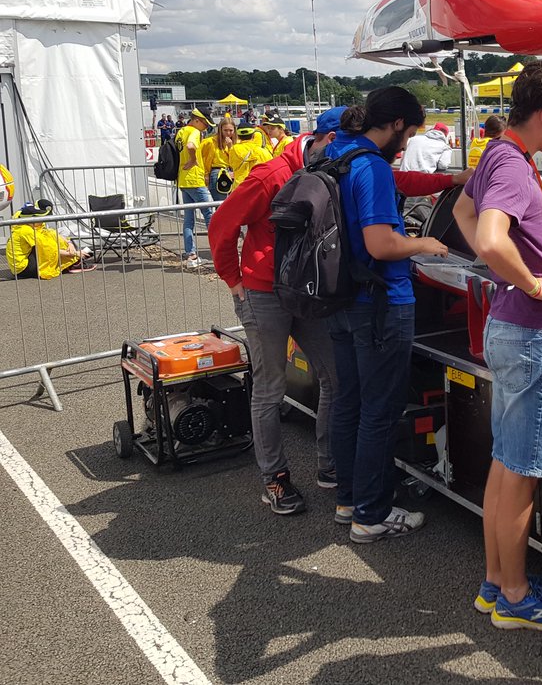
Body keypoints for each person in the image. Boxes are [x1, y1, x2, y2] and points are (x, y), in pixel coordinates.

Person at [452, 57, 542, 632]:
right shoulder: (514, 164)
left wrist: (507, 275)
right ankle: (514, 595)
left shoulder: (497, 153)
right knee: (523, 472)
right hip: (534, 335)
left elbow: (464, 211)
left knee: (506, 463)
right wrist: (531, 282)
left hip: (512, 329)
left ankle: (497, 582)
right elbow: (490, 237)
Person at [324, 88, 449, 543]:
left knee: (349, 403)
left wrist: (451, 180)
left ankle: (349, 499)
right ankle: (372, 515)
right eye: (410, 132)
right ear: (397, 124)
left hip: (339, 298)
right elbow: (381, 243)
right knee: (379, 411)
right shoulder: (373, 166)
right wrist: (424, 243)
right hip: (380, 303)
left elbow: (398, 185)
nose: (407, 142)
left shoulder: (336, 153)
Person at [210, 108, 349, 515]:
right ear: (327, 140)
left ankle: (330, 464)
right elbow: (221, 224)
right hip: (264, 293)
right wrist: (234, 280)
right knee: (270, 388)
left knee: (336, 376)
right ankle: (275, 477)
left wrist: (449, 180)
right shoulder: (269, 175)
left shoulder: (331, 170)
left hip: (306, 291)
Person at [5, 200, 94, 279]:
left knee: (52, 234)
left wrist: (69, 243)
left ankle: (72, 262)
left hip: (24, 261)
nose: (43, 221)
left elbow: (52, 234)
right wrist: (75, 254)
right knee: (48, 246)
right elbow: (48, 249)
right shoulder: (25, 230)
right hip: (22, 268)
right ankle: (71, 263)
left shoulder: (29, 224)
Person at [176, 108, 214, 269]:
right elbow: (191, 146)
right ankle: (219, 252)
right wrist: (193, 159)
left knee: (188, 219)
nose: (206, 127)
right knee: (210, 215)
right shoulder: (194, 132)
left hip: (183, 179)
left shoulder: (181, 132)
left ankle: (191, 255)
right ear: (197, 120)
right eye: (205, 124)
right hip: (195, 179)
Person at [202, 118, 237, 202]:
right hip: (217, 173)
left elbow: (236, 160)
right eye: (225, 130)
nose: (228, 133)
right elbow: (205, 159)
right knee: (220, 203)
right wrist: (206, 175)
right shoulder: (210, 142)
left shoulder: (236, 142)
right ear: (220, 130)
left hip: (232, 172)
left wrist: (231, 147)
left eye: (231, 130)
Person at [228, 126, 273, 191]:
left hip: (240, 186)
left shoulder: (234, 149)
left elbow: (231, 164)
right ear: (253, 136)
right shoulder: (264, 152)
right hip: (258, 186)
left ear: (238, 136)